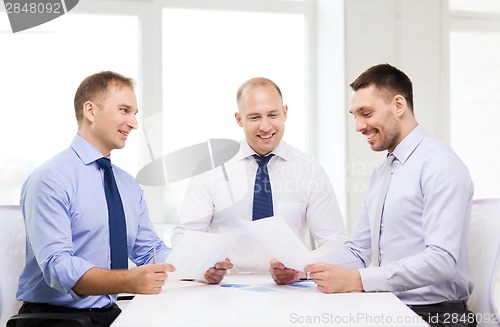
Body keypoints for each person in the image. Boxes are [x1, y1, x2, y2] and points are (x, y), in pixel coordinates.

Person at [16, 71, 231, 327]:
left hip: (108, 313)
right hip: (54, 319)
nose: (134, 123)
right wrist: (128, 280)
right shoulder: (51, 179)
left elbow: (150, 251)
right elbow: (57, 267)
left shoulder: (127, 185)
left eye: (135, 113)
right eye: (124, 110)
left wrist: (200, 269)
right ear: (91, 111)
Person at [274, 63, 475, 327]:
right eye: (354, 116)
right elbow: (358, 250)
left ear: (399, 105)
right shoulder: (382, 174)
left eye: (366, 113)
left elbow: (442, 261)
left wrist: (357, 280)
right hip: (388, 306)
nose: (358, 126)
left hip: (435, 316)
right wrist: (301, 267)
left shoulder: (440, 164)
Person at [172, 77, 346, 274]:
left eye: (272, 115)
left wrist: (301, 268)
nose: (265, 127)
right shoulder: (210, 169)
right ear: (239, 119)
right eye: (254, 117)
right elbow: (185, 236)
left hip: (292, 295)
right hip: (223, 293)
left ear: (285, 112)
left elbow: (335, 242)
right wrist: (203, 266)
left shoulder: (310, 171)